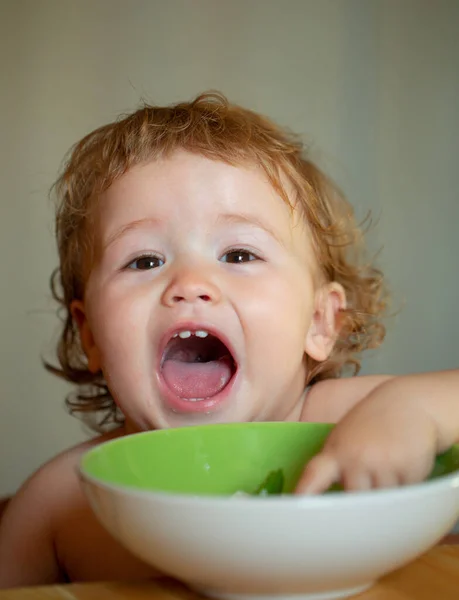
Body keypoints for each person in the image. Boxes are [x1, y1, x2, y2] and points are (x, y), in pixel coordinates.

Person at [0, 92, 458, 588]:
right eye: (144, 261)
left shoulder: (347, 424)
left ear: (320, 322)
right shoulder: (60, 502)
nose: (190, 283)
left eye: (239, 255)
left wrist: (412, 412)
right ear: (90, 334)